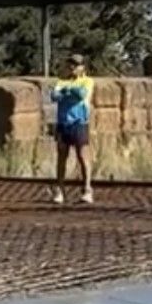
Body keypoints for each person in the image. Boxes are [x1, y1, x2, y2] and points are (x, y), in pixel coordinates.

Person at [50, 53, 94, 205]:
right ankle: (60, 190)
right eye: (71, 64)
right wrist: (67, 91)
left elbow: (81, 94)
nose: (73, 67)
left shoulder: (87, 81)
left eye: (76, 64)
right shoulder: (61, 81)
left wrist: (67, 92)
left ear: (83, 67)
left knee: (83, 156)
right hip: (63, 123)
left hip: (79, 123)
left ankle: (87, 189)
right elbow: (54, 96)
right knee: (62, 157)